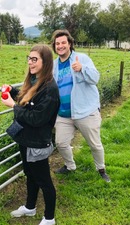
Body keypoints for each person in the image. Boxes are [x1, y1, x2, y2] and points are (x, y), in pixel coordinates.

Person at [1, 44, 60, 225]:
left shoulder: (50, 89)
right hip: (26, 139)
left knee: (44, 181)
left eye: (35, 59)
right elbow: (27, 97)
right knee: (30, 175)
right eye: (29, 58)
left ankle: (49, 218)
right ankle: (30, 207)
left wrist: (12, 106)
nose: (30, 62)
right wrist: (12, 91)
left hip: (37, 141)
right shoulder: (36, 81)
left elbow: (36, 118)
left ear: (46, 62)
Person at [51, 29, 111, 182]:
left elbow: (95, 78)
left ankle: (101, 169)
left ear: (70, 44)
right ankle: (70, 166)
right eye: (57, 44)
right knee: (60, 143)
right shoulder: (54, 65)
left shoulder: (81, 58)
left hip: (85, 111)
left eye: (63, 42)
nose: (60, 46)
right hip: (64, 114)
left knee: (95, 144)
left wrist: (82, 69)